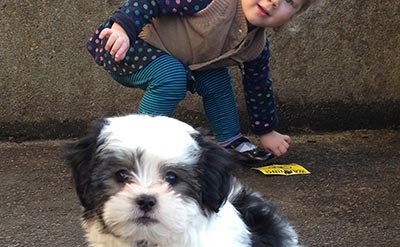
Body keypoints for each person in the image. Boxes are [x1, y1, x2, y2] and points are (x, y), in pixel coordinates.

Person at [87, 0, 316, 165]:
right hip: (127, 45)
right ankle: (135, 146)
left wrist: (266, 130)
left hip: (177, 57)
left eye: (288, 1)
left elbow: (258, 86)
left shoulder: (255, 46)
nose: (274, 1)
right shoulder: (208, 2)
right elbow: (150, 2)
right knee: (171, 76)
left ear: (292, 17)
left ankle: (230, 141)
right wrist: (121, 29)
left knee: (217, 79)